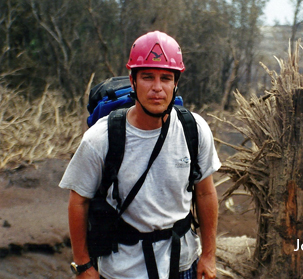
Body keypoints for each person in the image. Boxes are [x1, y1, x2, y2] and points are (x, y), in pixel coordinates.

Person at [59, 31, 220, 279]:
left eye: (166, 78)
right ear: (133, 81)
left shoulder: (194, 130)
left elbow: (206, 191)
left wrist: (208, 255)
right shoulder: (101, 138)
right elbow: (78, 201)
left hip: (182, 266)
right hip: (123, 272)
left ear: (175, 83)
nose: (157, 88)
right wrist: (83, 265)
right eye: (147, 77)